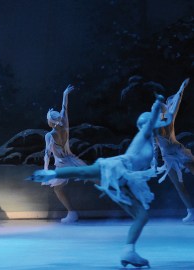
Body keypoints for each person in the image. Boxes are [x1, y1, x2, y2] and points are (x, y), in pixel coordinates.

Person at [29, 94, 171, 267]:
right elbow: (151, 122)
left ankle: (129, 251)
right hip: (119, 168)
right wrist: (157, 105)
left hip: (126, 179)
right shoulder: (144, 134)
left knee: (141, 216)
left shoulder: (150, 140)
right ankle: (52, 174)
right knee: (85, 172)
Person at [42, 84, 86, 223]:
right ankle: (72, 213)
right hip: (72, 161)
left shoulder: (49, 135)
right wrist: (64, 94)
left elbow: (47, 155)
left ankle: (72, 213)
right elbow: (64, 108)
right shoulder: (65, 125)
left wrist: (45, 171)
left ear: (50, 121)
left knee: (57, 189)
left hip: (62, 165)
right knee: (91, 176)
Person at [155, 78, 194, 222]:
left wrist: (181, 88)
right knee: (179, 185)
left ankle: (191, 211)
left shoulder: (168, 115)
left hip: (178, 151)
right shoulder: (155, 120)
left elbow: (176, 101)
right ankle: (191, 211)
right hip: (168, 156)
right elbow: (155, 145)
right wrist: (154, 163)